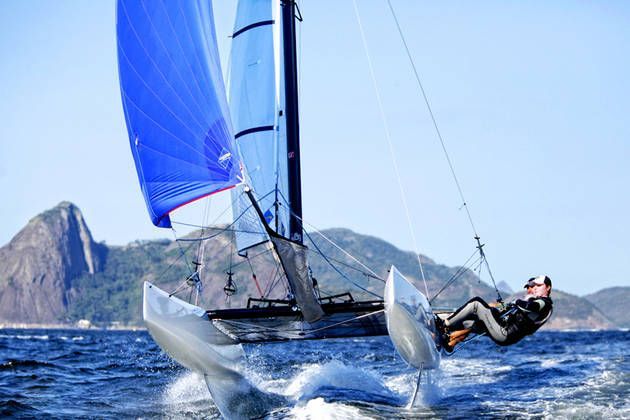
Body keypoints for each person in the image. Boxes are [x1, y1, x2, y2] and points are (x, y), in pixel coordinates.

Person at [435, 275, 553, 352]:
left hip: (504, 333)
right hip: (503, 329)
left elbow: (529, 307)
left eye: (539, 286)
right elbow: (507, 308)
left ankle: (443, 324)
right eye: (534, 286)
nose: (535, 288)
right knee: (470, 322)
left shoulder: (544, 303)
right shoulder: (534, 300)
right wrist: (496, 307)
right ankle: (447, 341)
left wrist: (519, 301)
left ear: (547, 288)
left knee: (476, 303)